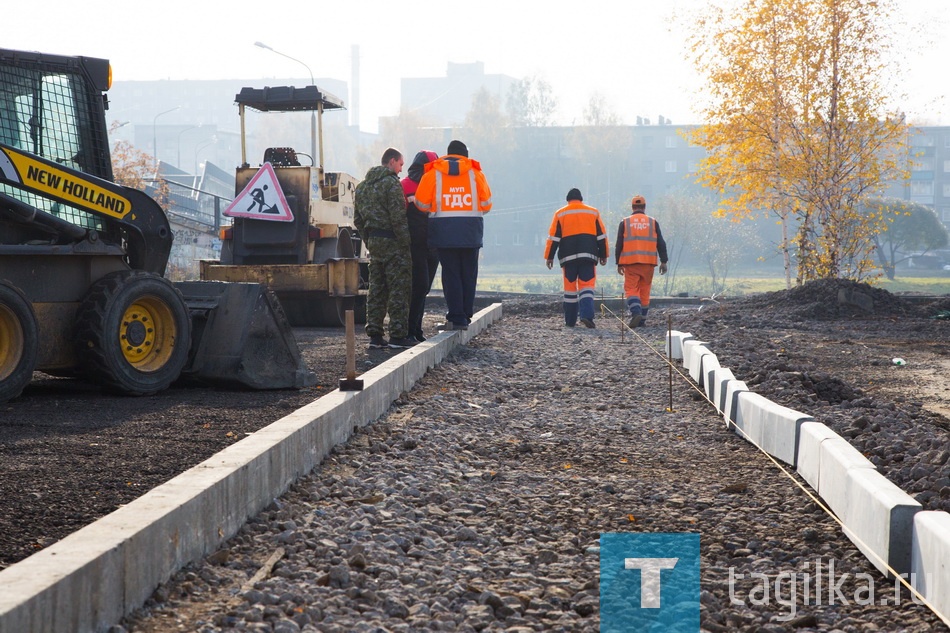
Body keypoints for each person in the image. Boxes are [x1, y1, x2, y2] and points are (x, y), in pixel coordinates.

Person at [414, 140, 492, 330]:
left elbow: (420, 204)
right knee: (468, 274)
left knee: (451, 275)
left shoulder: (433, 174)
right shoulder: (476, 174)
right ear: (465, 155)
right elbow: (487, 204)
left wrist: (437, 208)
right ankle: (466, 314)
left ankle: (457, 317)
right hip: (470, 232)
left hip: (444, 231)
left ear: (448, 154)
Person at [353, 147, 416, 349]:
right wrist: (405, 244)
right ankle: (398, 336)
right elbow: (398, 218)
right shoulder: (391, 184)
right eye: (400, 164)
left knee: (376, 290)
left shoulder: (362, 187)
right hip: (394, 244)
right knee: (398, 288)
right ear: (391, 161)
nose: (401, 169)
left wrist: (369, 240)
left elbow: (358, 220)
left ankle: (375, 336)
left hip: (375, 243)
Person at [544, 188, 609, 328]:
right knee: (586, 287)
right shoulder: (593, 212)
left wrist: (549, 257)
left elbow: (553, 238)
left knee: (570, 290)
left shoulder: (560, 214)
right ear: (581, 199)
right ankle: (587, 317)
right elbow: (601, 236)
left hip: (568, 259)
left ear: (567, 200)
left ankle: (570, 321)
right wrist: (604, 255)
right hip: (588, 256)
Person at [401, 150, 440, 342]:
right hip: (415, 245)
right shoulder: (405, 185)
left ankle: (416, 330)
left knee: (424, 288)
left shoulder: (436, 185)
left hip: (433, 244)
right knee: (419, 285)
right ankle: (409, 329)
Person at [615, 195, 668, 328]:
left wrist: (618, 262)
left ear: (632, 207)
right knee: (645, 291)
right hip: (649, 263)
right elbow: (661, 243)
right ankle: (642, 320)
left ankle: (636, 313)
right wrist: (664, 261)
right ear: (644, 207)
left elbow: (619, 244)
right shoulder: (653, 222)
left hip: (631, 262)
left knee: (631, 289)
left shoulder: (625, 222)